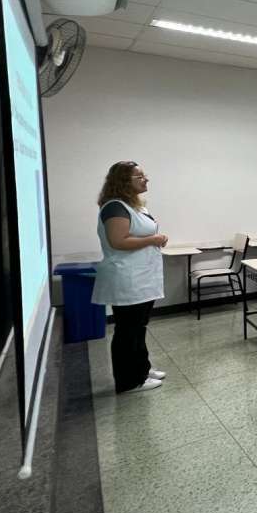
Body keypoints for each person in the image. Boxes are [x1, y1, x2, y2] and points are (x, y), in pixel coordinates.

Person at [91, 161, 169, 394]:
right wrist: (153, 239)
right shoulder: (115, 207)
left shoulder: (134, 206)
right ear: (123, 181)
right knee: (128, 330)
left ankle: (142, 369)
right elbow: (118, 241)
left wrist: (155, 239)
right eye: (140, 177)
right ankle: (129, 382)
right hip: (127, 278)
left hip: (142, 277)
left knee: (139, 327)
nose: (146, 179)